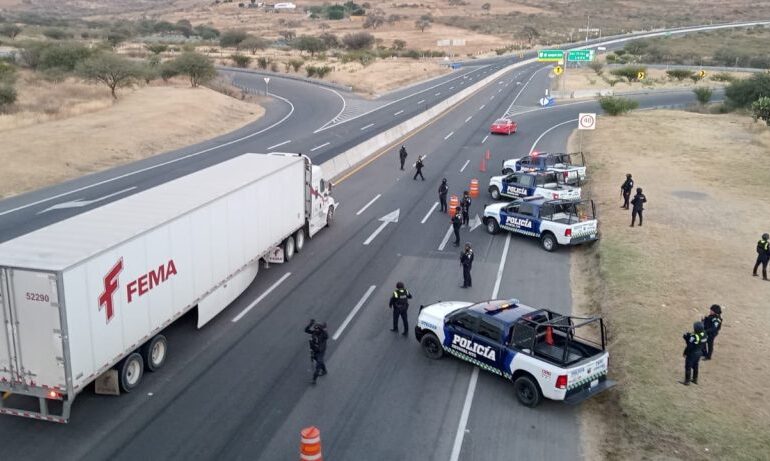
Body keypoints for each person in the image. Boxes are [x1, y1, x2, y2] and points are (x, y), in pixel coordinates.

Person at [681, 321, 706, 386]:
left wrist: (685, 353)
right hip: (699, 352)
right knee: (695, 365)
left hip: (692, 354)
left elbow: (689, 346)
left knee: (688, 367)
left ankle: (687, 381)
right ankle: (695, 379)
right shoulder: (704, 334)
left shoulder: (694, 337)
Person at [305, 319, 328, 384]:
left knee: (318, 365)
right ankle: (324, 370)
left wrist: (324, 329)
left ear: (321, 329)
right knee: (318, 360)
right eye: (315, 328)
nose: (315, 330)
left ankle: (314, 379)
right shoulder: (314, 332)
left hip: (320, 351)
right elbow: (306, 330)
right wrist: (310, 324)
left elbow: (326, 335)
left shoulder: (323, 335)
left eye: (317, 328)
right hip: (314, 350)